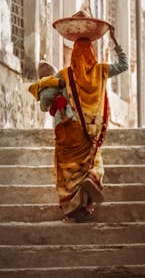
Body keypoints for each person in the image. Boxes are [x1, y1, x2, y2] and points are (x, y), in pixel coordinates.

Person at [29, 25, 127, 222]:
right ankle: (91, 183)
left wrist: (47, 98)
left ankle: (74, 210)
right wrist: (115, 42)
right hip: (91, 131)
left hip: (68, 130)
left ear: (74, 54)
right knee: (91, 163)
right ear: (92, 53)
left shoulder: (64, 75)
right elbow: (124, 65)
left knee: (69, 172)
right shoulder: (101, 71)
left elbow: (46, 97)